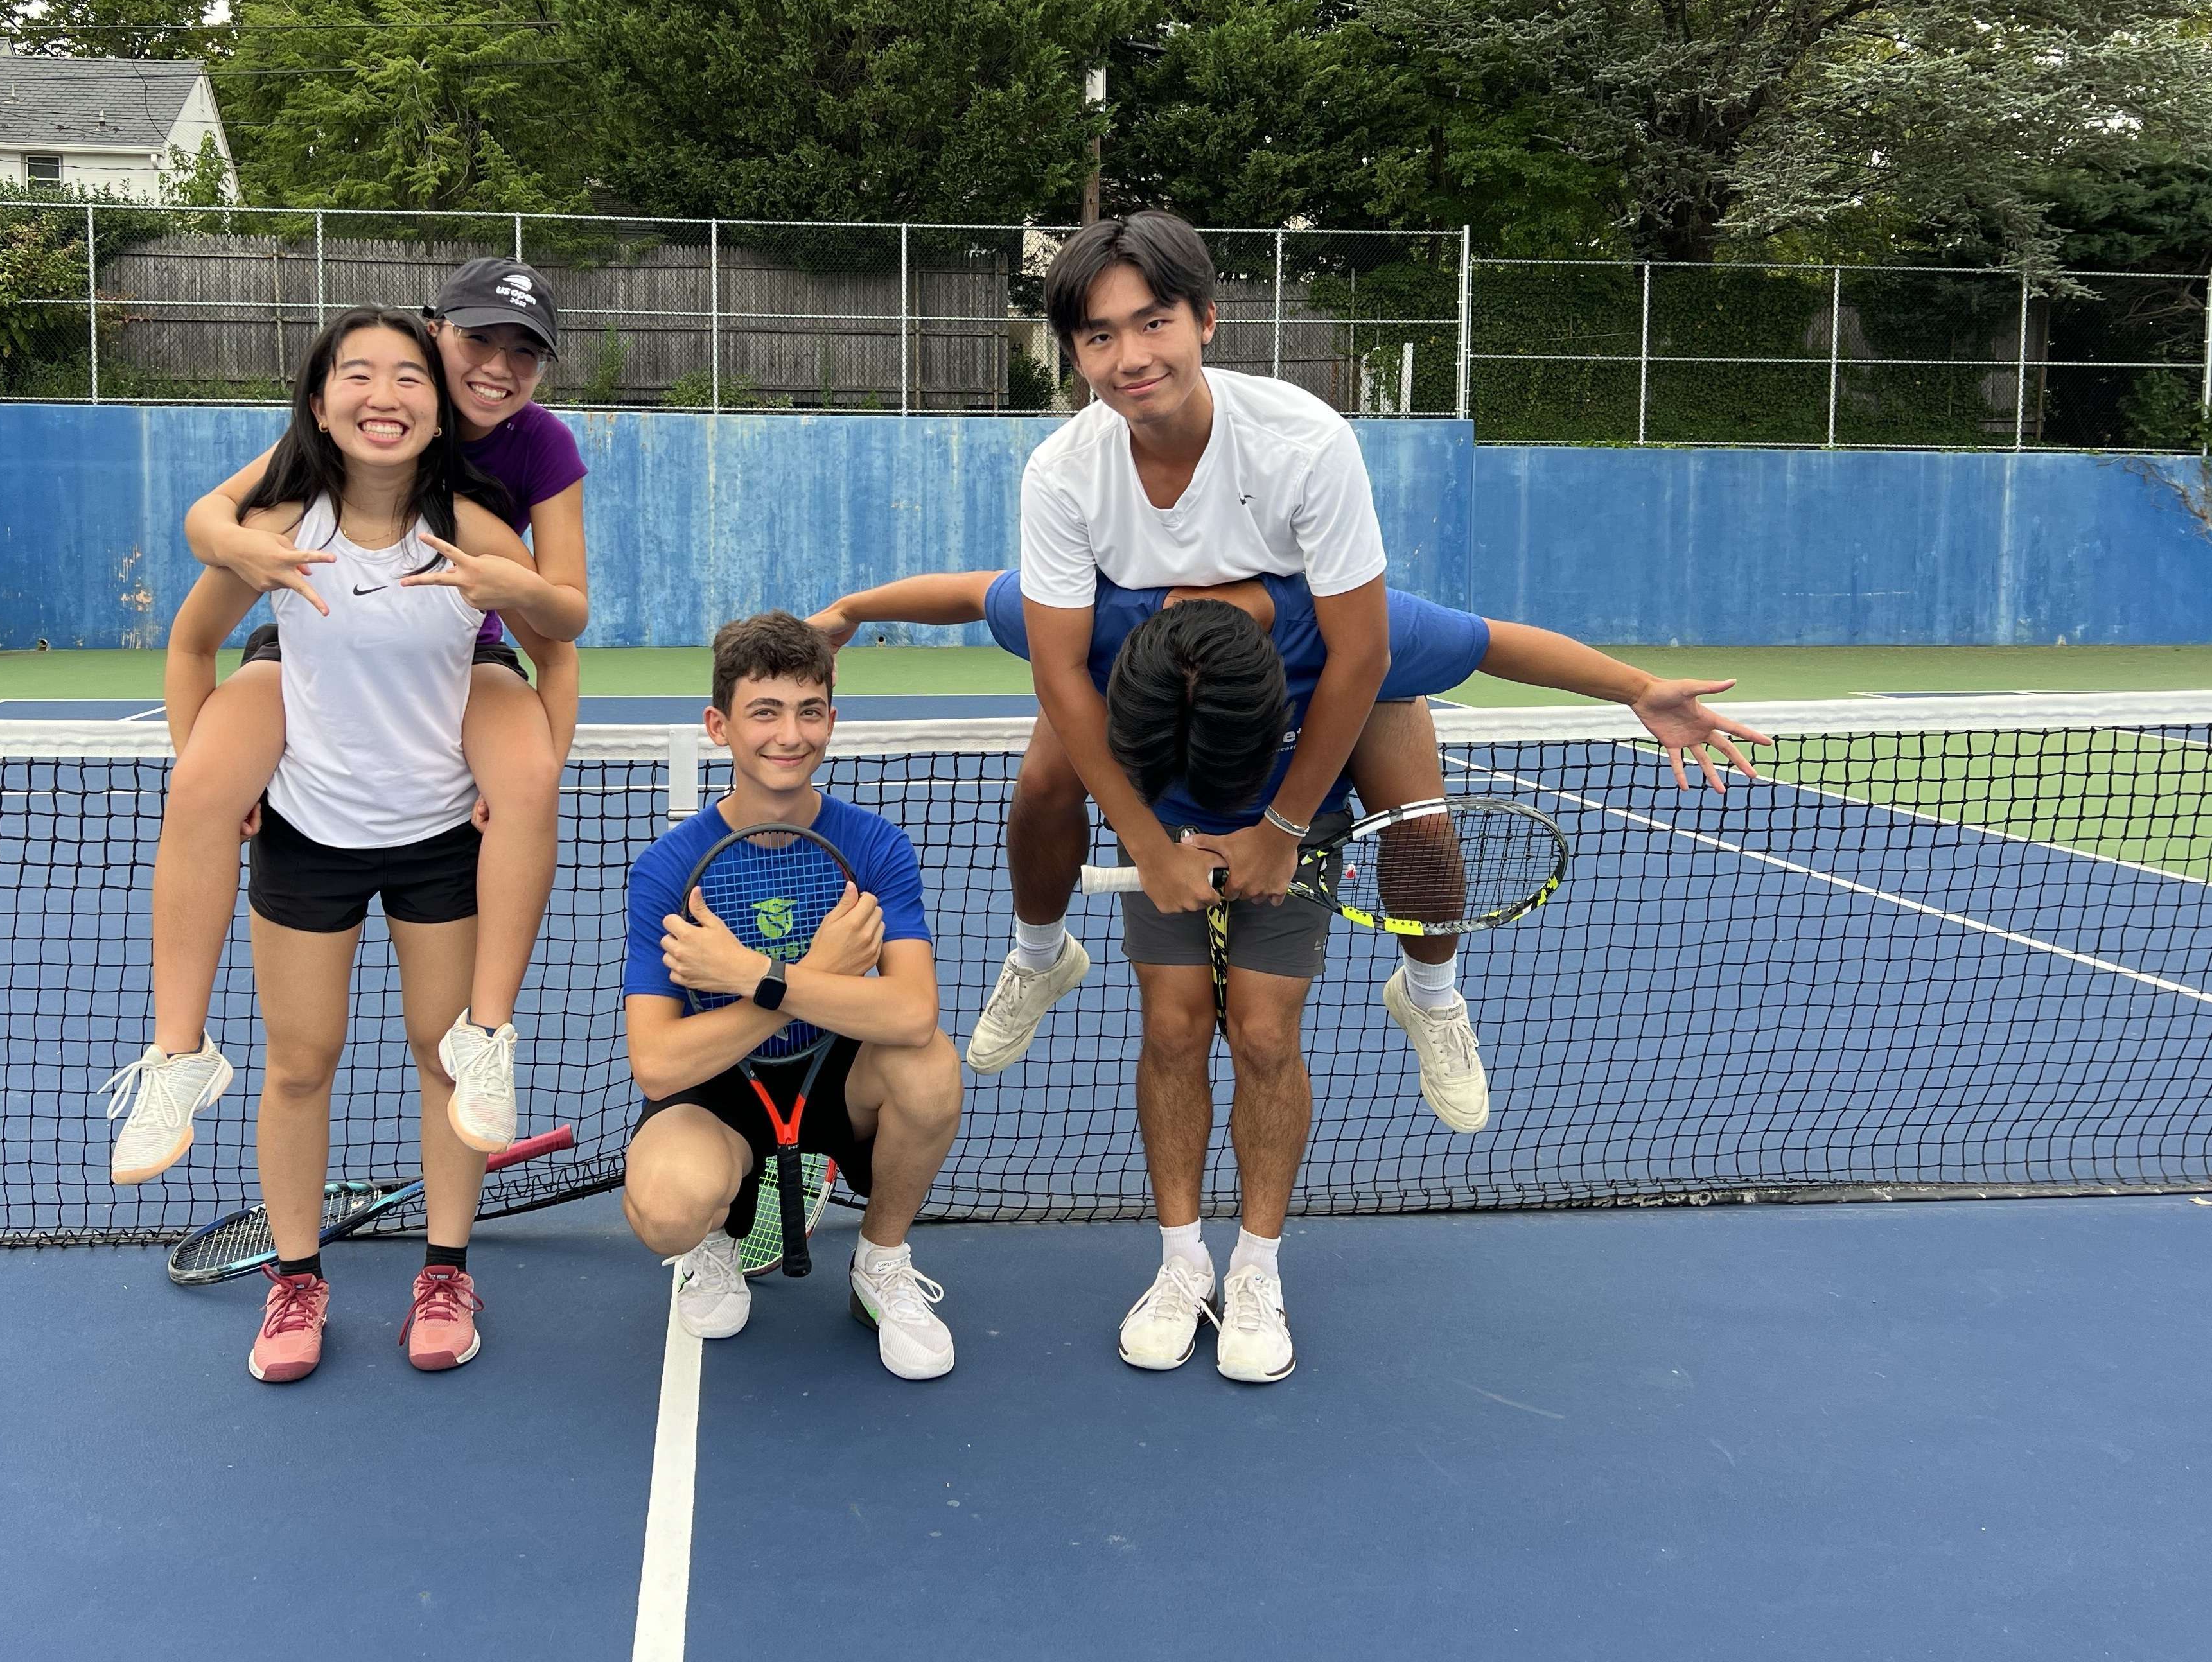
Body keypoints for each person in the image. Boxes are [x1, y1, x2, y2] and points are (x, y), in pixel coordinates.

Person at [809, 568, 1769, 1105]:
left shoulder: (1363, 626)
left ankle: (1429, 994)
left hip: (1345, 715)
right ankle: (1040, 954)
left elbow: (1500, 642)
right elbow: (976, 595)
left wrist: (1638, 688)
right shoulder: (1093, 617)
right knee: (1041, 784)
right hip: (1155, 714)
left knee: (1428, 837)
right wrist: (853, 612)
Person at [103, 259, 586, 1188]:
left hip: (466, 644)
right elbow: (210, 525)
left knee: (527, 780)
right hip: (311, 644)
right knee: (202, 780)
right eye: (477, 339)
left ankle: (488, 1037)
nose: (497, 365)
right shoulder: (326, 451)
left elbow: (563, 620)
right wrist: (240, 546)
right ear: (433, 335)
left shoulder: (533, 453)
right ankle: (178, 1052)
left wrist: (512, 590)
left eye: (523, 351)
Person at [1015, 209, 1392, 1386]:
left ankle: (1259, 1268)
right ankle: (1182, 1259)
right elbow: (1061, 679)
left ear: (1205, 319)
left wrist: (1282, 829)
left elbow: (1364, 657)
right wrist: (1145, 835)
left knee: (1265, 1032)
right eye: (1097, 335)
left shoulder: (1303, 442)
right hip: (1160, 766)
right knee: (1175, 1027)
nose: (1130, 355)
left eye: (1154, 321)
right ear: (1073, 354)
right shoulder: (1063, 470)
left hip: (1290, 756)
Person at [157, 306, 556, 1382]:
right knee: (300, 1062)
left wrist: (515, 601)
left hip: (437, 831)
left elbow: (556, 627)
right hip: (307, 829)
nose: (384, 394)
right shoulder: (279, 526)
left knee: (446, 1058)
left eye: (408, 377)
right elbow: (193, 640)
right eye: (357, 374)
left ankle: (445, 1269)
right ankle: (295, 1278)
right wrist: (221, 773)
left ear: (439, 406)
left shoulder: (472, 522)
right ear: (321, 400)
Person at [617, 613, 965, 1382]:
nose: (790, 734)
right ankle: (714, 1245)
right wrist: (813, 976)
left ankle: (880, 1263)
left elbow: (912, 1014)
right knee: (669, 1208)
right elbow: (658, 1064)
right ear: (720, 726)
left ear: (832, 722)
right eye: (765, 712)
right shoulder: (668, 870)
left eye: (810, 711)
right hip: (717, 1089)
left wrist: (758, 974)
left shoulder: (875, 847)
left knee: (931, 1067)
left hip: (840, 1077)